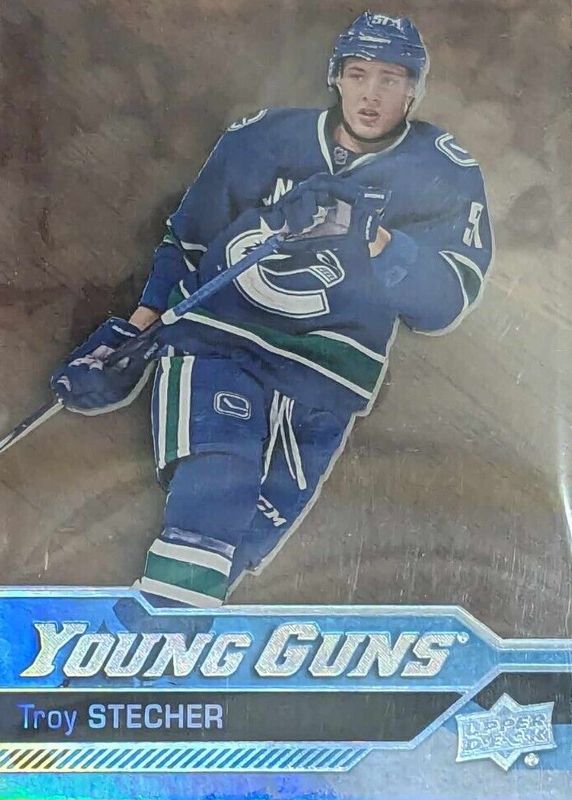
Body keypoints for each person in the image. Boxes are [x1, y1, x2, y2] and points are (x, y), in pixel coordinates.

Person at [51, 11, 493, 611]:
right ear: (336, 77)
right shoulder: (260, 138)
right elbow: (189, 242)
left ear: (413, 88)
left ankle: (150, 643)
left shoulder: (444, 169)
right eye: (358, 74)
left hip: (329, 379)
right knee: (214, 494)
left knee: (241, 543)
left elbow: (444, 304)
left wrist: (374, 238)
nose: (371, 93)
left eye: (390, 79)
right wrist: (135, 331)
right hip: (221, 343)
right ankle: (154, 640)